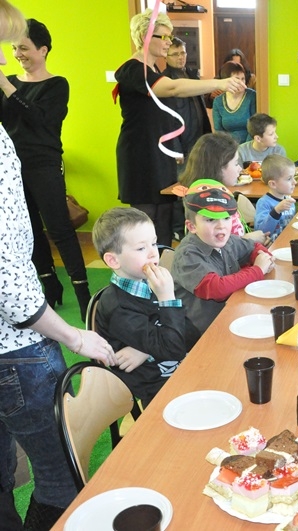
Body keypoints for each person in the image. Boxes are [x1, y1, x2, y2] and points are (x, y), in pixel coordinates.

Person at [0, 4, 117, 529]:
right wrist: (71, 334)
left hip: (45, 165)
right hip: (15, 349)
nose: (10, 56)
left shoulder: (50, 86)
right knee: (62, 481)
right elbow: (10, 280)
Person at [114, 10, 246, 247]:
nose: (168, 42)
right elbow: (173, 89)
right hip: (140, 156)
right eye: (163, 37)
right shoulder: (133, 70)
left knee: (165, 217)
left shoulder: (153, 70)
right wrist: (220, 83)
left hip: (160, 154)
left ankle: (163, 266)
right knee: (145, 223)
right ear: (144, 37)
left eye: (169, 37)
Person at [0, 18, 92, 321]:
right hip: (12, 167)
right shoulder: (9, 81)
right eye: (14, 48)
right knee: (29, 229)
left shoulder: (57, 85)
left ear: (43, 50)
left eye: (24, 48)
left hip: (45, 165)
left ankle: (83, 295)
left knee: (60, 229)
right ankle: (49, 285)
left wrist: (6, 85)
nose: (18, 54)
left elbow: (39, 119)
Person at [91, 207, 194, 408]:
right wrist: (167, 299)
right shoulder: (117, 307)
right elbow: (174, 348)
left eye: (154, 243)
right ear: (113, 260)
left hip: (181, 371)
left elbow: (191, 334)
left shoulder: (151, 283)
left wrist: (146, 351)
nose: (153, 253)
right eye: (141, 248)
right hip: (157, 390)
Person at [171, 187, 274, 334]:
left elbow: (254, 247)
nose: (221, 226)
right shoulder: (187, 254)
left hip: (231, 314)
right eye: (210, 220)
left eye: (226, 218)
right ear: (192, 226)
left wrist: (263, 257)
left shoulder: (227, 240)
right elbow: (216, 288)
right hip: (202, 332)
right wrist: (257, 270)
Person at [162, 36, 213, 241]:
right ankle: (178, 228)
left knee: (198, 186)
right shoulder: (165, 81)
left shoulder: (192, 75)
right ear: (166, 56)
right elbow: (166, 119)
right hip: (180, 144)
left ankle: (197, 226)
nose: (180, 57)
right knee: (180, 187)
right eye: (175, 54)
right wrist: (174, 147)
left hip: (199, 140)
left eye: (182, 52)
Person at [176, 132, 264, 241]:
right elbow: (217, 246)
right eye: (236, 163)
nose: (240, 169)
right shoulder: (208, 203)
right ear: (218, 167)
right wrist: (249, 239)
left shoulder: (220, 195)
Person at [254, 154, 297, 241]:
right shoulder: (264, 203)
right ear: (273, 184)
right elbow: (262, 232)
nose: (295, 182)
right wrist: (276, 211)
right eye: (289, 179)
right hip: (272, 246)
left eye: (294, 177)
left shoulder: (288, 199)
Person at [212, 61, 256, 144]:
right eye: (237, 79)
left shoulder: (252, 96)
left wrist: (244, 148)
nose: (241, 83)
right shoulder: (218, 101)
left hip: (249, 146)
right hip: (228, 147)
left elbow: (255, 126)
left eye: (243, 79)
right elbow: (218, 131)